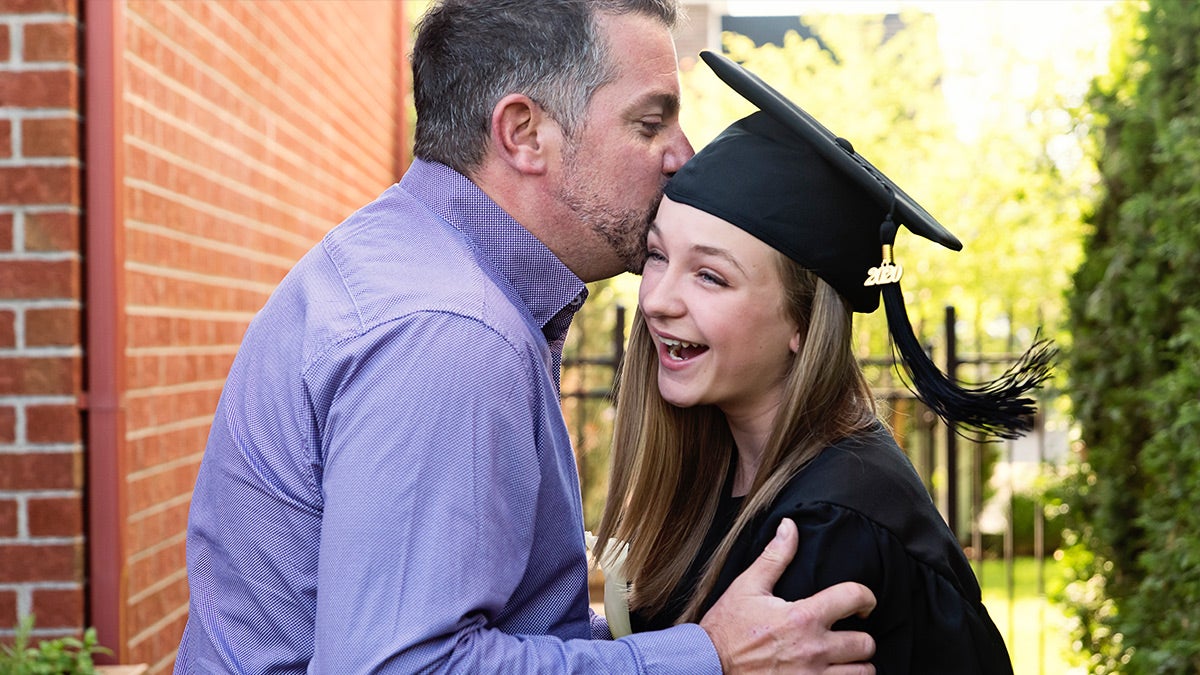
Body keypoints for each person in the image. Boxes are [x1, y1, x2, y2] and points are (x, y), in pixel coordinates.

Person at [175, 3, 879, 673]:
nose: (682, 156)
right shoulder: (451, 333)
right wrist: (705, 659)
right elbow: (403, 666)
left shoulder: (406, 263)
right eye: (650, 122)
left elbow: (498, 631)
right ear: (523, 133)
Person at [594, 51, 1055, 673]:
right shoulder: (730, 473)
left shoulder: (826, 528)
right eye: (656, 256)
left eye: (710, 276)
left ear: (802, 323)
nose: (657, 300)